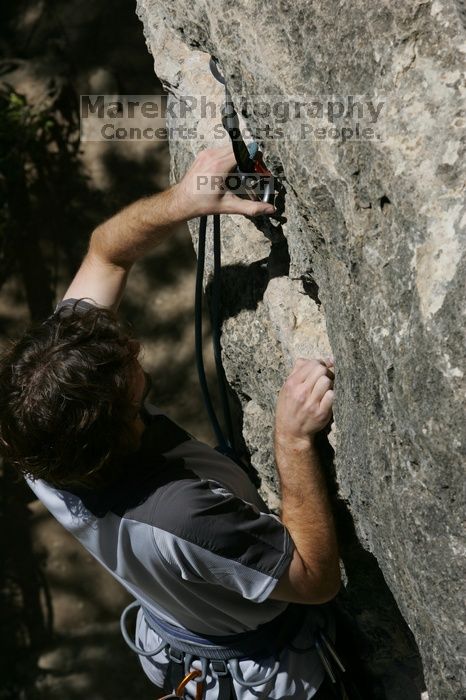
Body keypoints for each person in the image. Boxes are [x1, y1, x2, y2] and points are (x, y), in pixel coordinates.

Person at [0, 145, 341, 699]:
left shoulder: (35, 426)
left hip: (180, 633)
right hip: (268, 668)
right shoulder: (181, 514)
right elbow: (315, 580)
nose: (139, 361)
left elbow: (106, 254)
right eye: (140, 387)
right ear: (126, 434)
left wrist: (184, 200)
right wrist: (292, 441)